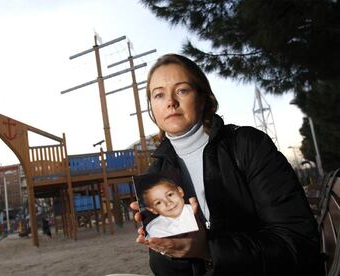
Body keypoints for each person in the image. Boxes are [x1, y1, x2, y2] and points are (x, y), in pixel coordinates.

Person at [130, 54, 323, 275]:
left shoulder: (248, 146)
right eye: (159, 95)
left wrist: (207, 248)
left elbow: (298, 243)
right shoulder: (157, 174)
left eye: (182, 90)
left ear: (203, 98)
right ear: (152, 108)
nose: (170, 102)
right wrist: (166, 248)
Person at [140, 173, 199, 238]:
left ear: (180, 191)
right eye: (158, 202)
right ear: (153, 210)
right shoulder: (155, 227)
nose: (168, 203)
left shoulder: (194, 209)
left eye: (170, 195)